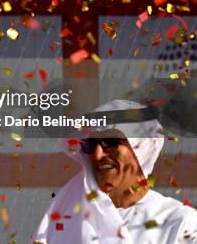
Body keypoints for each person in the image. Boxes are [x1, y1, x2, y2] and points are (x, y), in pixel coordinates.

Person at [32, 99, 197, 243]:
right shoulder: (69, 220)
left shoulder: (180, 223)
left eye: (110, 141)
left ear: (141, 147)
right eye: (90, 144)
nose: (97, 155)